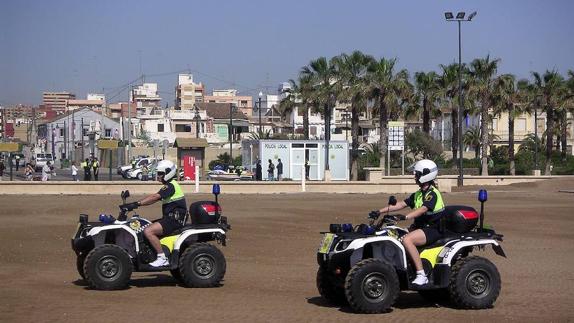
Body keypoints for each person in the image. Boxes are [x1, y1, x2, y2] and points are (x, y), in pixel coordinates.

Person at [375, 159, 445, 286]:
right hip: (420, 228)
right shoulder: (418, 194)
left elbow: (422, 209)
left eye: (416, 174)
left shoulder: (432, 194)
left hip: (433, 230)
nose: (414, 177)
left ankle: (421, 274)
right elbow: (401, 204)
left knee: (407, 240)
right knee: (393, 234)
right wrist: (379, 211)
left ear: (426, 175)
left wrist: (404, 217)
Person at [122, 160, 187, 267]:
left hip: (174, 220)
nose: (159, 176)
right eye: (158, 173)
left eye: (161, 174)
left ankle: (162, 257)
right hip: (170, 219)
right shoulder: (169, 185)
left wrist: (137, 204)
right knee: (144, 226)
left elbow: (154, 197)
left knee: (148, 231)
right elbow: (154, 199)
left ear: (168, 172)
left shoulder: (170, 186)